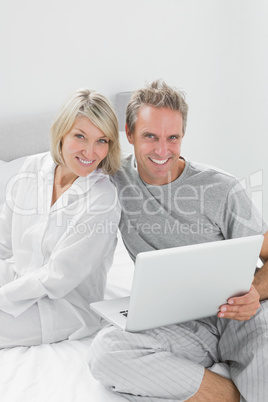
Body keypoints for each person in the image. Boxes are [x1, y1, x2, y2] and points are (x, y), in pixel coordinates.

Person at [89, 80, 268, 401]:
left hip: (240, 315)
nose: (162, 150)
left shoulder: (220, 188)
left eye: (173, 138)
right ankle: (227, 394)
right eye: (150, 137)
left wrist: (255, 292)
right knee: (106, 351)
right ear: (128, 135)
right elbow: (67, 157)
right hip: (177, 324)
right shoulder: (112, 178)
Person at [0, 89, 121, 347]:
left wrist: (3, 296)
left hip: (64, 306)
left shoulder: (102, 199)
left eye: (102, 140)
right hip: (18, 279)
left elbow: (57, 278)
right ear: (61, 133)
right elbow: (4, 242)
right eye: (80, 136)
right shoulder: (31, 168)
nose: (91, 152)